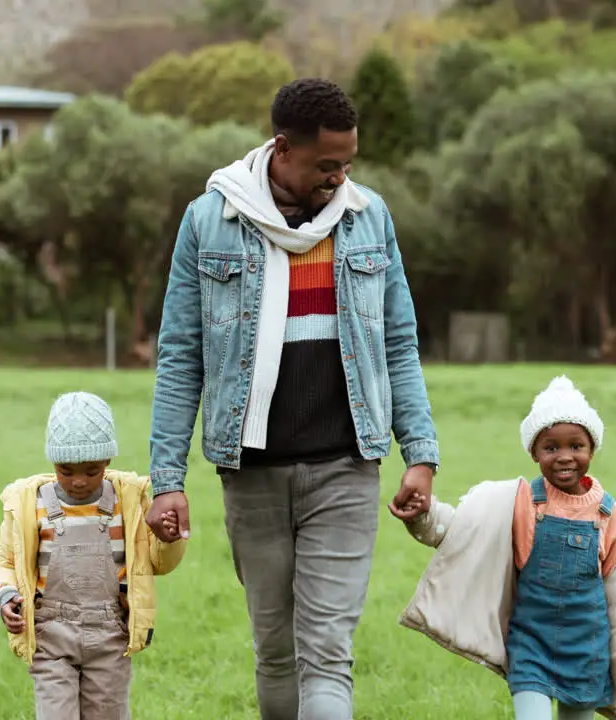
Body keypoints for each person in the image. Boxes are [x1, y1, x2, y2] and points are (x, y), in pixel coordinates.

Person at [145, 77, 440, 719]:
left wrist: (420, 451)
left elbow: (398, 343)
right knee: (276, 653)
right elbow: (179, 356)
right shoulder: (209, 221)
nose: (339, 177)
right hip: (252, 473)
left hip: (346, 468)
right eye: (325, 165)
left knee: (327, 655)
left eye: (347, 163)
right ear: (282, 148)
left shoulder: (369, 218)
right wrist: (165, 479)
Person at [392, 376, 616, 720]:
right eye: (551, 447)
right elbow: (462, 529)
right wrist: (422, 515)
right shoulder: (521, 502)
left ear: (592, 449)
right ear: (534, 452)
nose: (564, 457)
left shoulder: (608, 514)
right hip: (532, 645)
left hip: (586, 651)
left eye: (576, 446)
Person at [0, 391, 187, 719]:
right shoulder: (28, 504)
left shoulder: (130, 503)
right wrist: (4, 594)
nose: (79, 481)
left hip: (110, 637)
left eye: (91, 470)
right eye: (66, 471)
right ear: (52, 461)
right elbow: (6, 561)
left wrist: (168, 537)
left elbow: (160, 563)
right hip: (51, 638)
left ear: (108, 461)